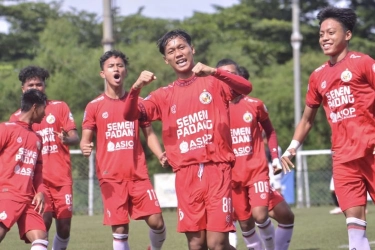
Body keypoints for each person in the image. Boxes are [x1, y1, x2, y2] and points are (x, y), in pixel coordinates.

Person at [123, 29, 252, 250]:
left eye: (182, 47)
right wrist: (135, 88)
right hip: (186, 176)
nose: (178, 53)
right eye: (171, 51)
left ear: (192, 49)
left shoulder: (213, 82)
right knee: (196, 245)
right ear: (166, 60)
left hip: (217, 170)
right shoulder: (163, 95)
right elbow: (129, 115)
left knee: (217, 244)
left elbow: (245, 87)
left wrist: (214, 71)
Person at [281, 6, 375, 250]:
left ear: (347, 35)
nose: (324, 37)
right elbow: (307, 119)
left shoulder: (363, 63)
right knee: (354, 227)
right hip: (343, 158)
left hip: (371, 151)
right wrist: (291, 148)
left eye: (331, 32)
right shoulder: (318, 76)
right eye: (321, 33)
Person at [80, 50, 166, 250]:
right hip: (110, 177)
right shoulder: (94, 106)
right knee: (120, 230)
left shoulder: (139, 103)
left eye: (119, 65)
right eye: (111, 66)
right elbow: (85, 139)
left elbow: (149, 134)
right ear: (103, 74)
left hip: (138, 175)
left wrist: (160, 154)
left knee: (157, 222)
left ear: (125, 71)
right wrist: (85, 147)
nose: (116, 69)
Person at [217, 60, 294, 250]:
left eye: (232, 75)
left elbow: (271, 131)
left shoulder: (254, 105)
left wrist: (275, 159)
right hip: (232, 179)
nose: (228, 80)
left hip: (256, 172)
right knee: (245, 224)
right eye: (223, 76)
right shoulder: (215, 110)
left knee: (260, 215)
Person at [9, 66, 79, 250]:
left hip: (62, 178)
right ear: (23, 89)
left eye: (39, 84)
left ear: (44, 86)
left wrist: (67, 139)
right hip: (38, 182)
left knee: (64, 229)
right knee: (43, 223)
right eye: (30, 85)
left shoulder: (59, 107)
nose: (35, 88)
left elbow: (75, 137)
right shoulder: (17, 117)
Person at [0, 89, 48, 249]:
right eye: (44, 108)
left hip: (29, 198)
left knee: (41, 238)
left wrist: (40, 191)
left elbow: (38, 171)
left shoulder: (37, 138)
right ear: (35, 107)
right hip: (7, 194)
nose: (45, 113)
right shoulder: (6, 129)